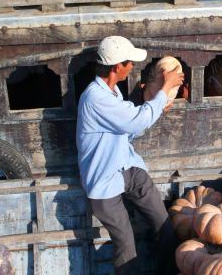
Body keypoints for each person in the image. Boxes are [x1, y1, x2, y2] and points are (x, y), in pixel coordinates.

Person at [76, 36, 185, 275]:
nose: (133, 67)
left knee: (164, 225)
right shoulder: (95, 98)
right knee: (126, 245)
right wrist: (164, 90)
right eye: (130, 63)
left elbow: (130, 130)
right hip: (104, 182)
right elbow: (136, 120)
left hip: (128, 168)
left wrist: (153, 105)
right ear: (117, 67)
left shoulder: (112, 93)